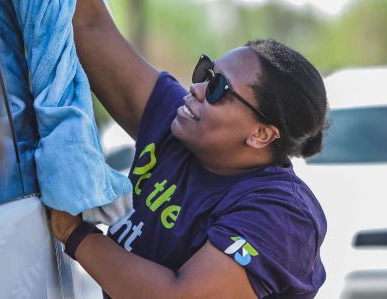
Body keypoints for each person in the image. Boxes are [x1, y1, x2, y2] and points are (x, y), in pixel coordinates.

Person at [51, 0, 328, 298]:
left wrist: (75, 234)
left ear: (260, 135)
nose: (196, 89)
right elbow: (90, 26)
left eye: (218, 87)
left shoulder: (282, 213)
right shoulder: (181, 126)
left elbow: (181, 296)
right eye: (206, 72)